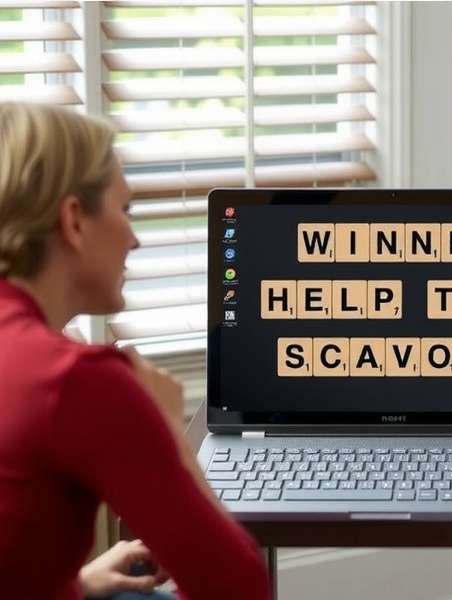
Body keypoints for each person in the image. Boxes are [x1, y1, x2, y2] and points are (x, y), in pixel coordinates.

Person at [0, 102, 270, 599]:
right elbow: (240, 589)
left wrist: (75, 583)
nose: (135, 239)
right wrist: (169, 431)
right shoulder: (75, 379)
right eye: (124, 211)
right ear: (74, 220)